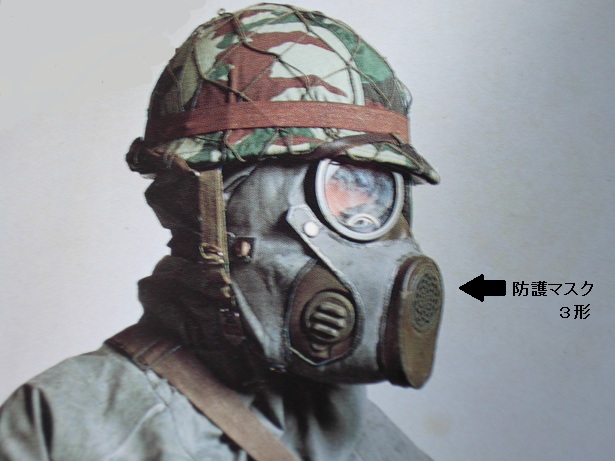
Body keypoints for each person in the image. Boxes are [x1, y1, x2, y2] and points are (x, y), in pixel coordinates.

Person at [0, 4, 443, 460]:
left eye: (378, 191)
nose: (368, 221)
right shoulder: (67, 429)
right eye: (342, 183)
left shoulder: (369, 441)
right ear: (210, 205)